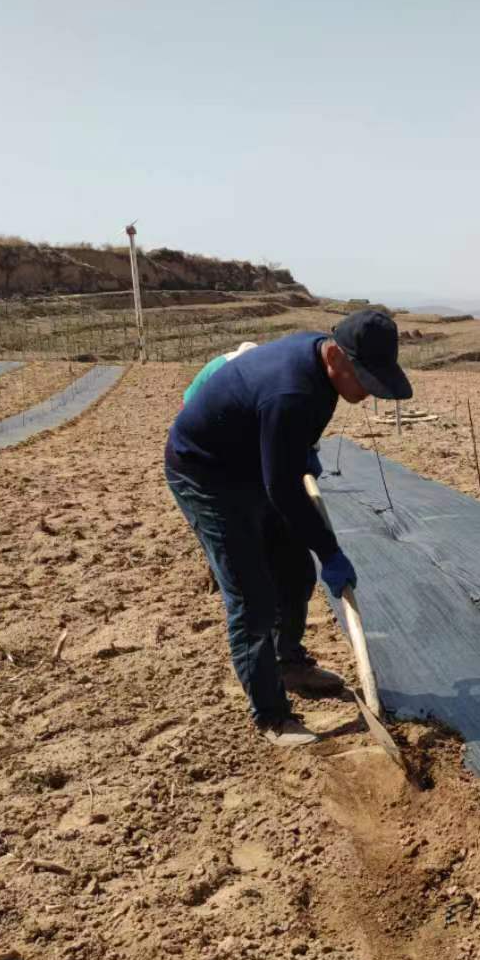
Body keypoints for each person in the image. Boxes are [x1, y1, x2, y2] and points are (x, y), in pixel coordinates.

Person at [165, 312, 412, 746]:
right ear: (335, 356)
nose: (366, 392)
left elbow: (283, 462)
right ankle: (272, 716)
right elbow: (282, 487)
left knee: (295, 572)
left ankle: (289, 663)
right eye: (364, 379)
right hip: (207, 476)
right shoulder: (290, 391)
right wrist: (329, 550)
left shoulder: (319, 365)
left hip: (251, 464)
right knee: (252, 599)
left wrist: (301, 451)